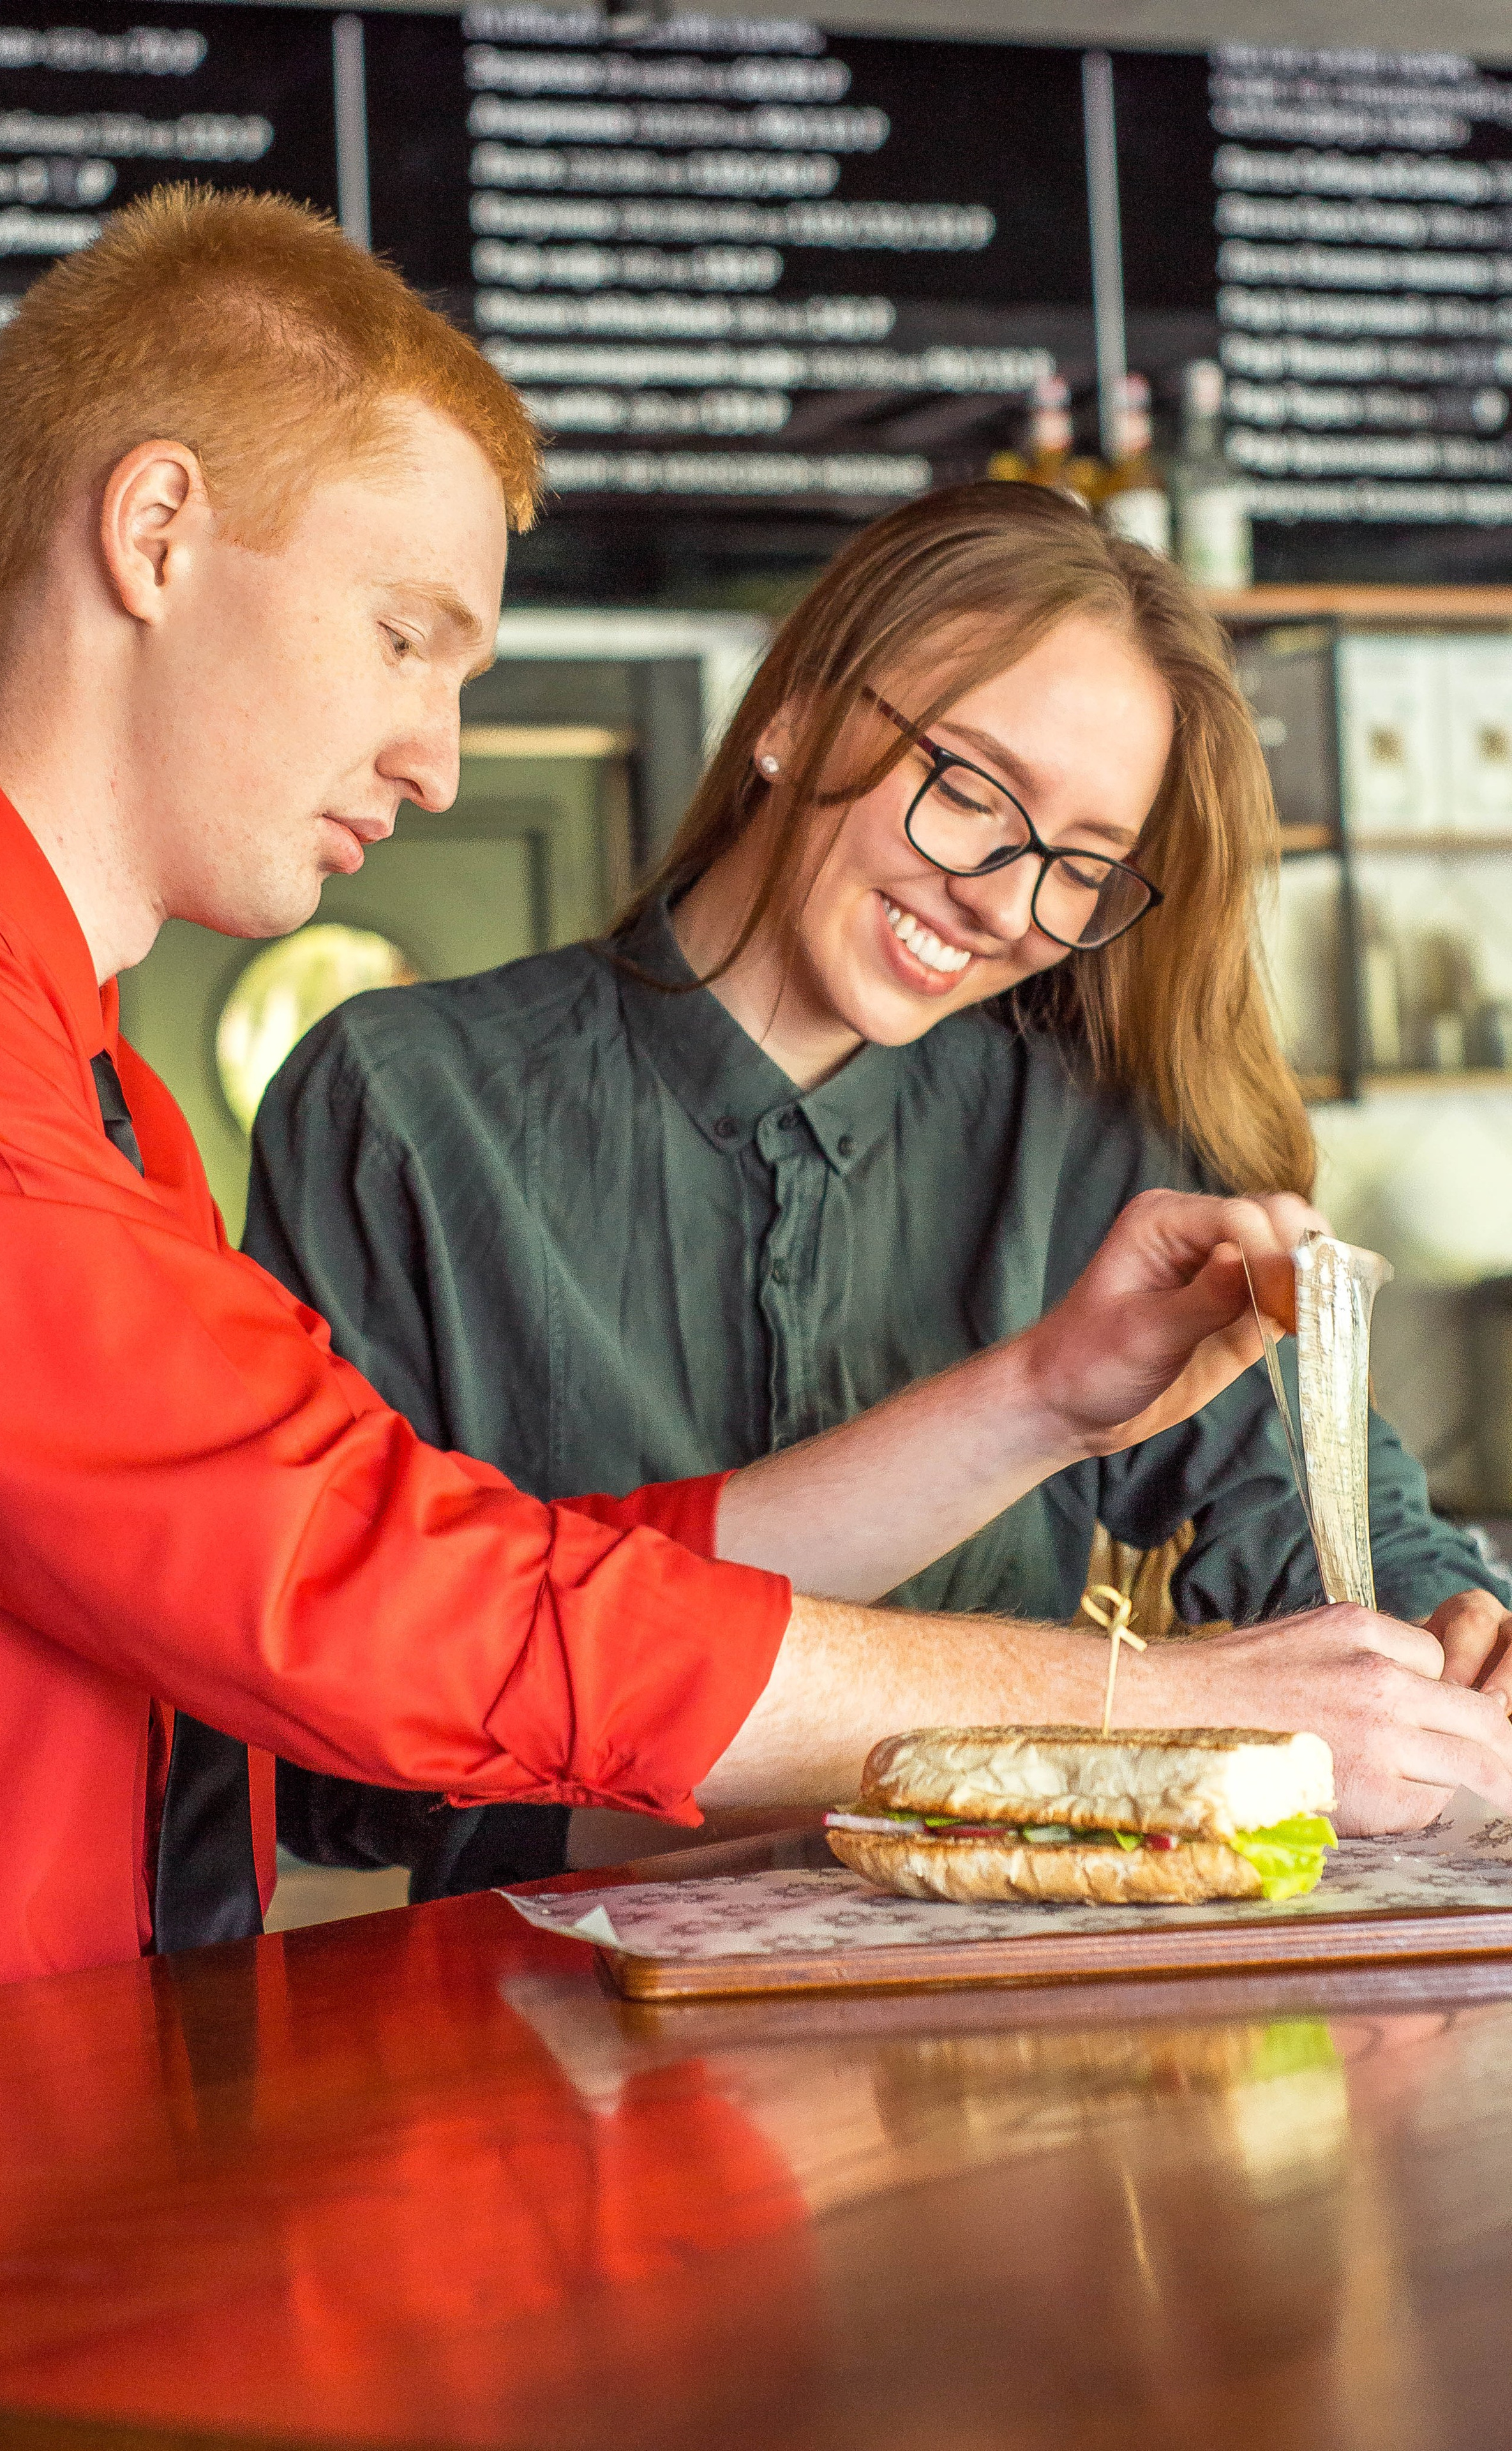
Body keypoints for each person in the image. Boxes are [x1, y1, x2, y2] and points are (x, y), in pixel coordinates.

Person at [247, 477, 1512, 1900]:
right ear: (791, 716)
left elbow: (1338, 1545)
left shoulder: (1097, 1144)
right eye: (968, 790)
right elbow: (341, 1765)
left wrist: (1458, 1636)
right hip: (539, 2006)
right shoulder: (405, 1102)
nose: (1005, 901)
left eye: (1083, 866)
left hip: (1014, 2013)